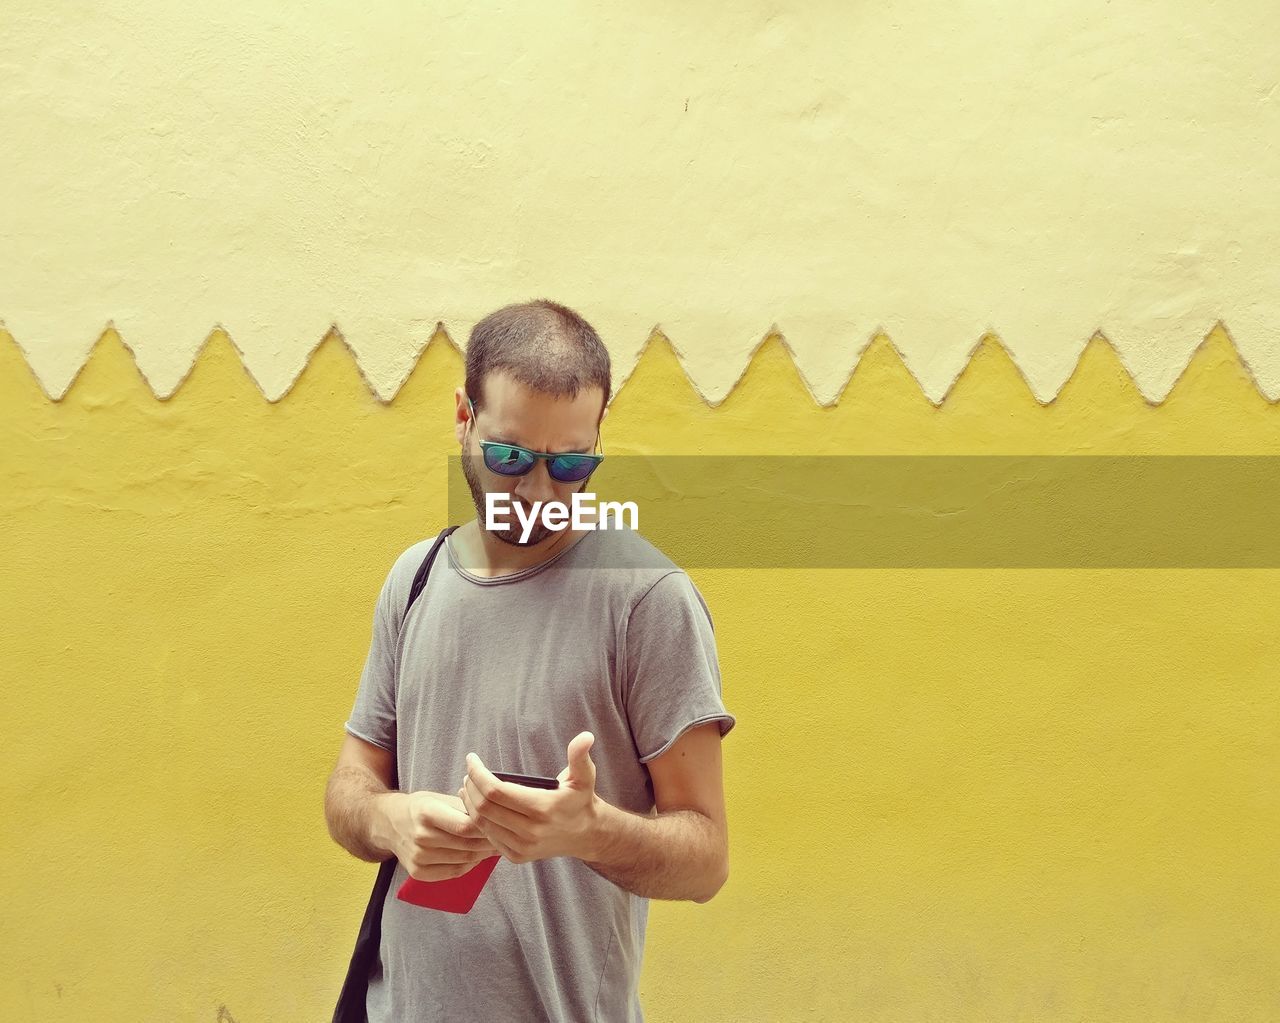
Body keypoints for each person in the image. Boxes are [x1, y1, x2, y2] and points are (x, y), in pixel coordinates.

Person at [324, 298, 737, 1022]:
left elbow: (707, 857)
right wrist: (391, 819)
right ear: (463, 418)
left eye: (572, 463)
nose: (540, 491)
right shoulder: (414, 580)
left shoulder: (647, 600)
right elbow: (350, 785)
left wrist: (591, 831)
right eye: (511, 456)